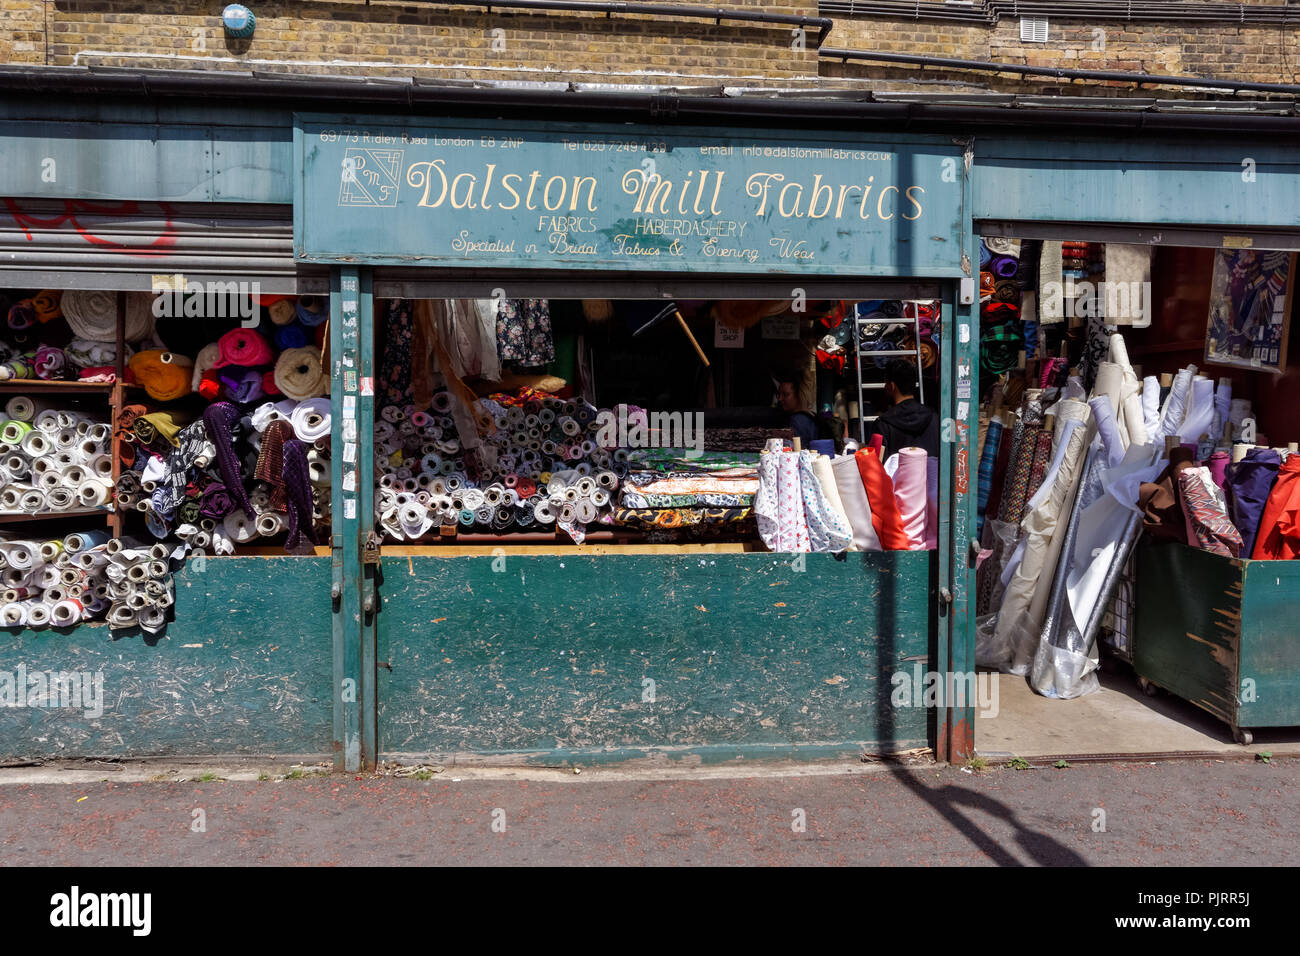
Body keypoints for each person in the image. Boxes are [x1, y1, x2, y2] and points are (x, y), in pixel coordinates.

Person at [865, 358, 939, 458]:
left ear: (892, 386)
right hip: (930, 473)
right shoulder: (934, 418)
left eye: (886, 383)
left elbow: (876, 465)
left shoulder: (883, 424)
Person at [776, 374, 821, 447]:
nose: (780, 398)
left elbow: (797, 451)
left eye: (786, 394)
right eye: (779, 394)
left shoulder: (797, 420)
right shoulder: (812, 415)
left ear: (799, 395)